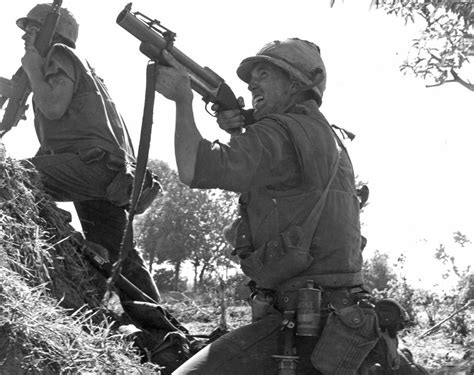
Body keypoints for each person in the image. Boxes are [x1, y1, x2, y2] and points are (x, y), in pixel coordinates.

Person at [155, 38, 381, 374]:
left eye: (263, 74)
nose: (251, 83)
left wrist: (182, 100)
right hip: (340, 317)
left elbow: (193, 168)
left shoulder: (280, 130)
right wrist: (239, 126)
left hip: (307, 320)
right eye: (250, 78)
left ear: (294, 82)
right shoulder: (324, 134)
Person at [18, 3, 161, 303]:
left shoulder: (60, 54)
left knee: (11, 177)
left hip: (91, 167)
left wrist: (32, 69)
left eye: (33, 29)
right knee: (122, 258)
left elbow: (53, 107)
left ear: (53, 33)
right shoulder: (83, 69)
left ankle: (62, 248)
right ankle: (164, 335)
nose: (25, 36)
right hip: (106, 174)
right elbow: (63, 138)